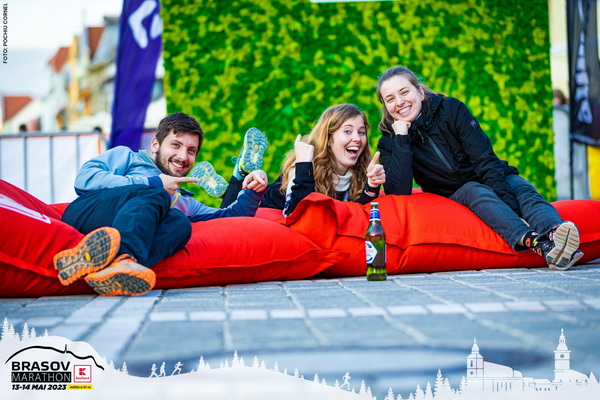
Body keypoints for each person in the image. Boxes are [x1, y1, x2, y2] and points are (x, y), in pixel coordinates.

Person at [375, 66, 583, 270]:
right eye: (390, 99)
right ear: (386, 106)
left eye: (404, 92)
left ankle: (556, 233)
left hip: (491, 176)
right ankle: (539, 244)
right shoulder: (389, 142)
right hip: (456, 194)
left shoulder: (451, 109)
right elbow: (399, 191)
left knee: (521, 188)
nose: (399, 102)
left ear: (420, 93)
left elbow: (484, 159)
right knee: (474, 190)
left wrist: (509, 206)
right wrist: (402, 139)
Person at [53, 112, 268, 296]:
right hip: (86, 214)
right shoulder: (128, 157)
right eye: (176, 145)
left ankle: (105, 265)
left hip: (115, 235)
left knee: (180, 224)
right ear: (155, 144)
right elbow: (85, 180)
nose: (183, 156)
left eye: (191, 151)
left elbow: (230, 219)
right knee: (159, 193)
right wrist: (154, 183)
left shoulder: (183, 200)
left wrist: (254, 188)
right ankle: (121, 259)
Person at [201, 104, 387, 216]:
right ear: (329, 138)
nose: (357, 138)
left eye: (361, 132)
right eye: (347, 131)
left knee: (229, 201)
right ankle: (239, 176)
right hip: (260, 201)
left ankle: (231, 186)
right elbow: (293, 212)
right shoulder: (302, 165)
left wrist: (371, 186)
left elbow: (354, 211)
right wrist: (303, 165)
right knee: (226, 216)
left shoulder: (359, 171)